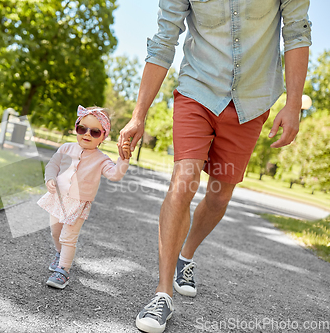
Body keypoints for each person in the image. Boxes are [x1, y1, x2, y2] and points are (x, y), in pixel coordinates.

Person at [117, 0, 311, 332]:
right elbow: (165, 38)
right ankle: (162, 295)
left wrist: (294, 104)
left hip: (252, 99)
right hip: (197, 90)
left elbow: (295, 32)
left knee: (220, 196)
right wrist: (139, 115)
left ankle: (186, 255)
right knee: (184, 180)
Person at [38, 105, 131, 289]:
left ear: (103, 136)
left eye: (95, 132)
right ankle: (59, 254)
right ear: (76, 128)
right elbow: (52, 165)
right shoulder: (66, 148)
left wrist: (124, 159)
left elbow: (115, 174)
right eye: (82, 129)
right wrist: (49, 178)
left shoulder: (101, 159)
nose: (87, 134)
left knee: (68, 237)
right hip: (58, 198)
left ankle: (63, 270)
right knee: (55, 231)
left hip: (78, 203)